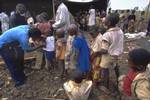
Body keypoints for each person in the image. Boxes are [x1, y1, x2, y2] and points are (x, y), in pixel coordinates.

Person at [91, 13, 124, 88]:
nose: (104, 19)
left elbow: (104, 50)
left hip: (109, 55)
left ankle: (106, 85)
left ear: (108, 23)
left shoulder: (107, 34)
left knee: (104, 69)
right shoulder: (120, 31)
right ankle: (118, 79)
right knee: (116, 66)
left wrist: (96, 53)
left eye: (106, 19)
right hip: (118, 54)